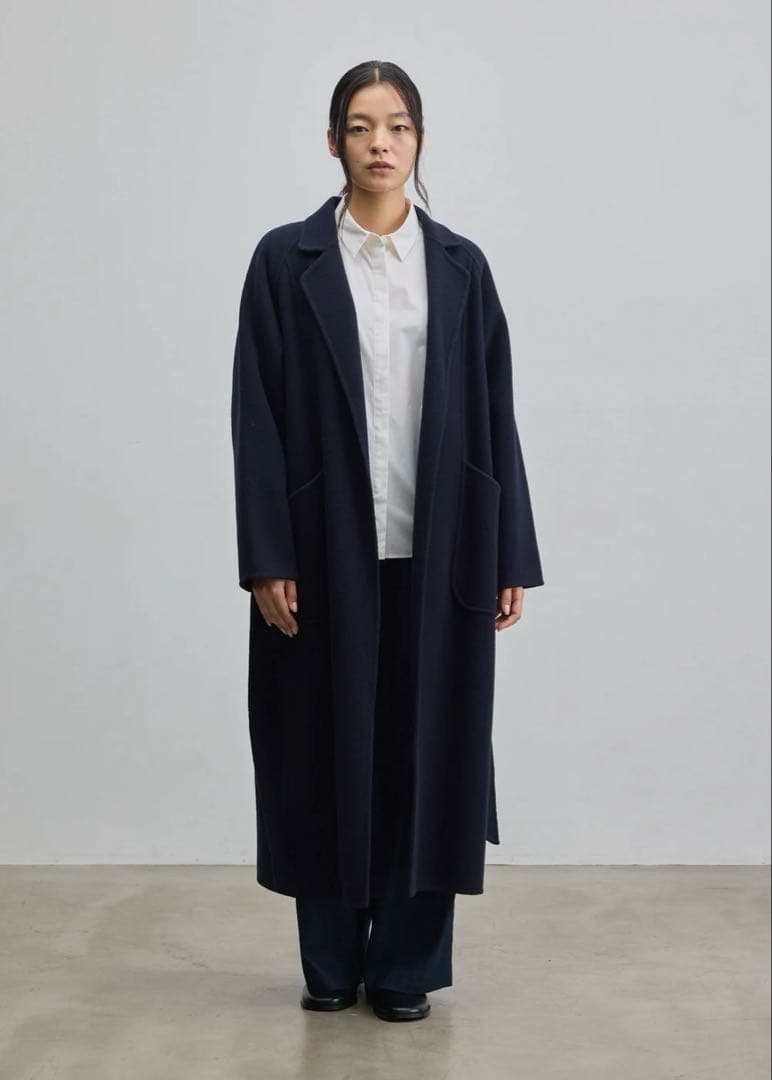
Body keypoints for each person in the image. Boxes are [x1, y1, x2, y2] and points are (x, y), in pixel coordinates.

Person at [230, 60, 544, 1023]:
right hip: (321, 553)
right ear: (334, 142)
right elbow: (256, 414)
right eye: (361, 126)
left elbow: (494, 410)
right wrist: (266, 555)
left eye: (397, 126)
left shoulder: (460, 267)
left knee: (429, 754)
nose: (380, 143)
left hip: (441, 550)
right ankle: (331, 960)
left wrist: (509, 552)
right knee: (320, 748)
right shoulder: (286, 262)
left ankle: (407, 965)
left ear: (418, 141)